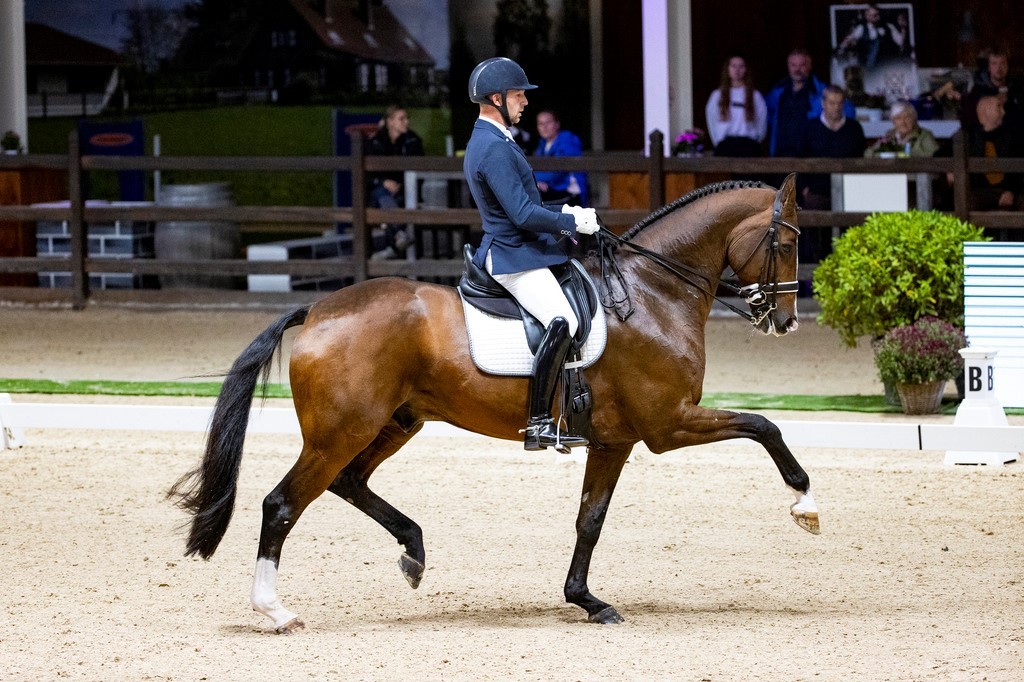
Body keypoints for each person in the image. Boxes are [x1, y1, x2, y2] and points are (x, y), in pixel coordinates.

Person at [463, 57, 599, 452]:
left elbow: (525, 202)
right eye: (519, 95)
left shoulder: (498, 138)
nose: (525, 102)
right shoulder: (491, 147)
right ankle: (539, 420)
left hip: (522, 248)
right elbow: (521, 214)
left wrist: (565, 212)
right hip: (511, 255)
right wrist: (570, 224)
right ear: (497, 98)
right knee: (565, 318)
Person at [765, 48, 855, 158]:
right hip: (781, 153)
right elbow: (766, 117)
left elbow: (849, 112)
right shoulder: (777, 92)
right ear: (788, 66)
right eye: (793, 65)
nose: (797, 69)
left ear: (810, 66)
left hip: (810, 155)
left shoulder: (822, 91)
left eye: (802, 65)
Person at [366, 105, 424, 259]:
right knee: (381, 193)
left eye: (407, 118)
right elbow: (368, 175)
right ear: (390, 122)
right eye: (401, 119)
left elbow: (419, 169)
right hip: (379, 193)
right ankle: (399, 233)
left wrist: (400, 185)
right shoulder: (376, 142)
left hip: (405, 191)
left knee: (389, 199)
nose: (406, 122)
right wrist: (383, 182)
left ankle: (394, 244)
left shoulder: (412, 140)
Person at [801, 85, 867, 210]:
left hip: (849, 190)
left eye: (839, 103)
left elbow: (861, 157)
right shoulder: (810, 128)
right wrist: (804, 187)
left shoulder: (854, 128)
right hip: (816, 192)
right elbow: (800, 157)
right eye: (832, 103)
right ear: (823, 103)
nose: (836, 107)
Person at [965, 95, 1023, 211]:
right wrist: (949, 170)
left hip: (1006, 189)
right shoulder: (969, 135)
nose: (1003, 112)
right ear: (985, 111)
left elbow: (1019, 170)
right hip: (979, 191)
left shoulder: (1012, 136)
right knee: (969, 202)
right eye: (998, 107)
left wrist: (1011, 191)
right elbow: (941, 153)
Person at [704, 55, 768, 158]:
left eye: (741, 66)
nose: (737, 70)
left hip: (748, 145)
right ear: (728, 69)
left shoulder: (755, 96)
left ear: (746, 70)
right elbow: (712, 120)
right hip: (725, 145)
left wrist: (756, 140)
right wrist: (718, 142)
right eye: (733, 66)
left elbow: (762, 122)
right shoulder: (717, 95)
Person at [532, 109, 588, 206]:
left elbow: (557, 171)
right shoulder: (543, 144)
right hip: (552, 190)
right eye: (540, 124)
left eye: (548, 123)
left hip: (570, 194)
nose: (544, 127)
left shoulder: (567, 140)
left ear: (557, 124)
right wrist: (537, 182)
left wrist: (533, 180)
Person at [963, 47, 1024, 136]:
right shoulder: (978, 90)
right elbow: (969, 121)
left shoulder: (1016, 88)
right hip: (987, 141)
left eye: (1003, 63)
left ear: (1007, 65)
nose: (999, 68)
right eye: (994, 64)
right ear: (988, 67)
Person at [836, 4, 902, 71]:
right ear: (866, 16)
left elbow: (900, 42)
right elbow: (849, 39)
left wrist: (903, 28)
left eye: (875, 15)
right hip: (867, 69)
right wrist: (841, 48)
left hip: (885, 67)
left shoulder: (889, 27)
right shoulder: (861, 29)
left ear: (879, 16)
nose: (871, 17)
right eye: (869, 15)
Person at [864, 101, 939, 158]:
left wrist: (902, 153)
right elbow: (869, 153)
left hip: (916, 176)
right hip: (893, 174)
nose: (903, 122)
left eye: (907, 117)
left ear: (914, 119)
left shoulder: (924, 134)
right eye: (898, 118)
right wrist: (890, 154)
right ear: (893, 122)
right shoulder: (889, 135)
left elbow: (934, 155)